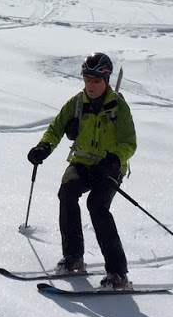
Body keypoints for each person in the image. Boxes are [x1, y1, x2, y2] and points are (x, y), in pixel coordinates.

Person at [27, 53, 137, 291]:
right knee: (67, 192)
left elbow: (129, 143)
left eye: (96, 81)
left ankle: (118, 273)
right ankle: (73, 258)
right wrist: (43, 147)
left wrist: (114, 160)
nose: (91, 85)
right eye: (87, 79)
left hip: (109, 168)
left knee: (97, 206)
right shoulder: (77, 103)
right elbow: (55, 128)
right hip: (83, 163)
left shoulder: (118, 107)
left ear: (106, 80)